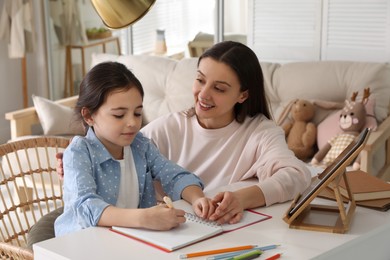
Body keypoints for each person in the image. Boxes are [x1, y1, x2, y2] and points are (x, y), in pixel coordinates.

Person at [57, 41, 311, 225]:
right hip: (108, 238)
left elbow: (297, 176)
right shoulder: (164, 129)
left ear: (242, 95)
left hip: (183, 233)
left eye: (219, 88)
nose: (203, 94)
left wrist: (221, 198)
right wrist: (72, 164)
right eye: (200, 80)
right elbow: (97, 167)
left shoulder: (260, 133)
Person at [54, 62, 214, 237]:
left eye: (137, 113)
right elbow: (86, 207)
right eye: (119, 115)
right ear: (88, 115)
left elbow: (174, 175)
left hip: (130, 240)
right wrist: (144, 218)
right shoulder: (78, 152)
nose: (132, 123)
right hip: (82, 245)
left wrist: (197, 198)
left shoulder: (140, 145)